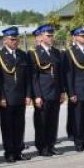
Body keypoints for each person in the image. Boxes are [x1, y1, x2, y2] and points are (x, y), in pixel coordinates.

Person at [0, 27, 32, 163]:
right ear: (5, 40)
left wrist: (28, 95)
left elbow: (28, 78)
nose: (16, 42)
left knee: (19, 126)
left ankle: (18, 151)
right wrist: (1, 97)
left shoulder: (23, 55)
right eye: (13, 39)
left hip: (20, 96)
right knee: (7, 126)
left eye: (17, 39)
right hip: (7, 98)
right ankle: (9, 152)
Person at [30, 24, 64, 157]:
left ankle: (51, 145)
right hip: (43, 93)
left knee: (53, 121)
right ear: (41, 36)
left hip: (55, 92)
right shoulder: (34, 53)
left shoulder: (56, 52)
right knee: (41, 122)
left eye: (52, 35)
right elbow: (34, 77)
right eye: (48, 35)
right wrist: (37, 95)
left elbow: (59, 73)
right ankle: (42, 147)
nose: (51, 37)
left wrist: (62, 91)